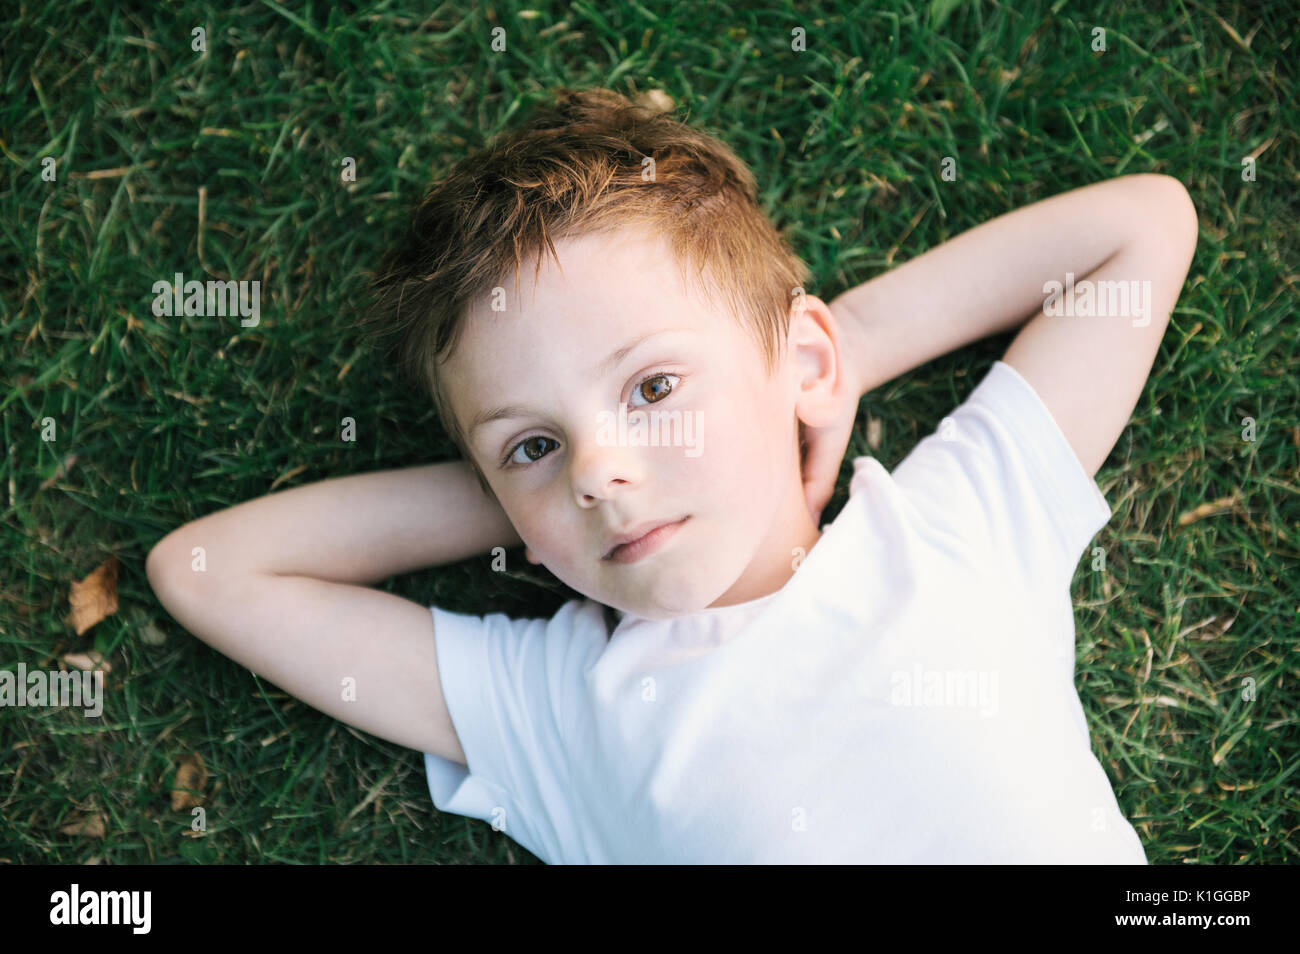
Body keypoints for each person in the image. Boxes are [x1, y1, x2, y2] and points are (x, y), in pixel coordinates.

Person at [146, 87, 1198, 863]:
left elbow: (1140, 231)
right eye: (535, 444)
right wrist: (515, 488)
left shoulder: (951, 532)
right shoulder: (560, 709)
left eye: (651, 387)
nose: (600, 472)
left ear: (805, 362)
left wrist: (830, 361)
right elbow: (205, 569)